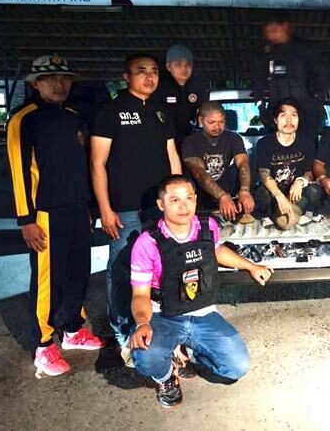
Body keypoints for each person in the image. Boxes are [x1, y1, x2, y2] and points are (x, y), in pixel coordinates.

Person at [129, 175, 272, 407]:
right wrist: (142, 323)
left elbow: (217, 251)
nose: (183, 206)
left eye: (188, 198)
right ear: (161, 205)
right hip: (164, 315)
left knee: (236, 367)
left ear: (196, 200)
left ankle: (192, 352)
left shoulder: (208, 226)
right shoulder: (147, 242)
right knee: (147, 357)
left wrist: (251, 266)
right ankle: (166, 376)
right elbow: (140, 295)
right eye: (174, 200)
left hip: (202, 312)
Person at [7, 54, 105, 378]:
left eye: (64, 78)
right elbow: (19, 172)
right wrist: (26, 219)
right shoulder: (24, 119)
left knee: (78, 272)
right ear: (36, 84)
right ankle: (44, 344)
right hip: (45, 213)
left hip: (77, 209)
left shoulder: (74, 117)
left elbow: (82, 167)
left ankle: (73, 329)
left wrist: (89, 208)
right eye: (50, 79)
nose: (59, 84)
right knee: (48, 280)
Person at [91, 53, 182, 351]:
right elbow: (97, 163)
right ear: (126, 76)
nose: (149, 77)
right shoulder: (110, 111)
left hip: (158, 207)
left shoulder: (161, 112)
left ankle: (158, 323)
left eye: (154, 71)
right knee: (121, 267)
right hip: (124, 207)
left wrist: (178, 200)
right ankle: (122, 331)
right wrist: (105, 209)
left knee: (160, 265)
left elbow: (172, 156)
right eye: (141, 71)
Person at [252, 10, 329, 140]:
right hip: (277, 110)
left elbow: (320, 77)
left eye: (275, 30)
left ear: (285, 27)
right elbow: (258, 82)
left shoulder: (303, 49)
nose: (272, 35)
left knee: (306, 145)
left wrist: (316, 104)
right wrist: (262, 108)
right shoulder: (266, 54)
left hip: (306, 111)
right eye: (268, 32)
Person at [254, 98, 323, 229]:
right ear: (275, 120)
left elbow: (309, 173)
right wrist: (279, 196)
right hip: (274, 194)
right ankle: (267, 215)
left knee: (314, 190)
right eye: (283, 115)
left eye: (294, 115)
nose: (289, 120)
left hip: (295, 194)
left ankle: (304, 212)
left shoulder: (307, 142)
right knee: (261, 193)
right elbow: (264, 175)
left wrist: (300, 181)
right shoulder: (264, 143)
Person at [182, 101, 255, 221]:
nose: (217, 127)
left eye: (221, 122)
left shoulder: (233, 138)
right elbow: (199, 173)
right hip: (201, 193)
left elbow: (243, 163)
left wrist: (245, 190)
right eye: (212, 122)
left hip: (225, 187)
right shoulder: (191, 142)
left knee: (241, 168)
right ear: (201, 121)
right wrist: (222, 196)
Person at [152, 44, 209, 151]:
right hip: (163, 141)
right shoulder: (158, 86)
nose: (184, 69)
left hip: (191, 140)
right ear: (169, 66)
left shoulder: (197, 85)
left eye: (188, 65)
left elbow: (205, 110)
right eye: (178, 65)